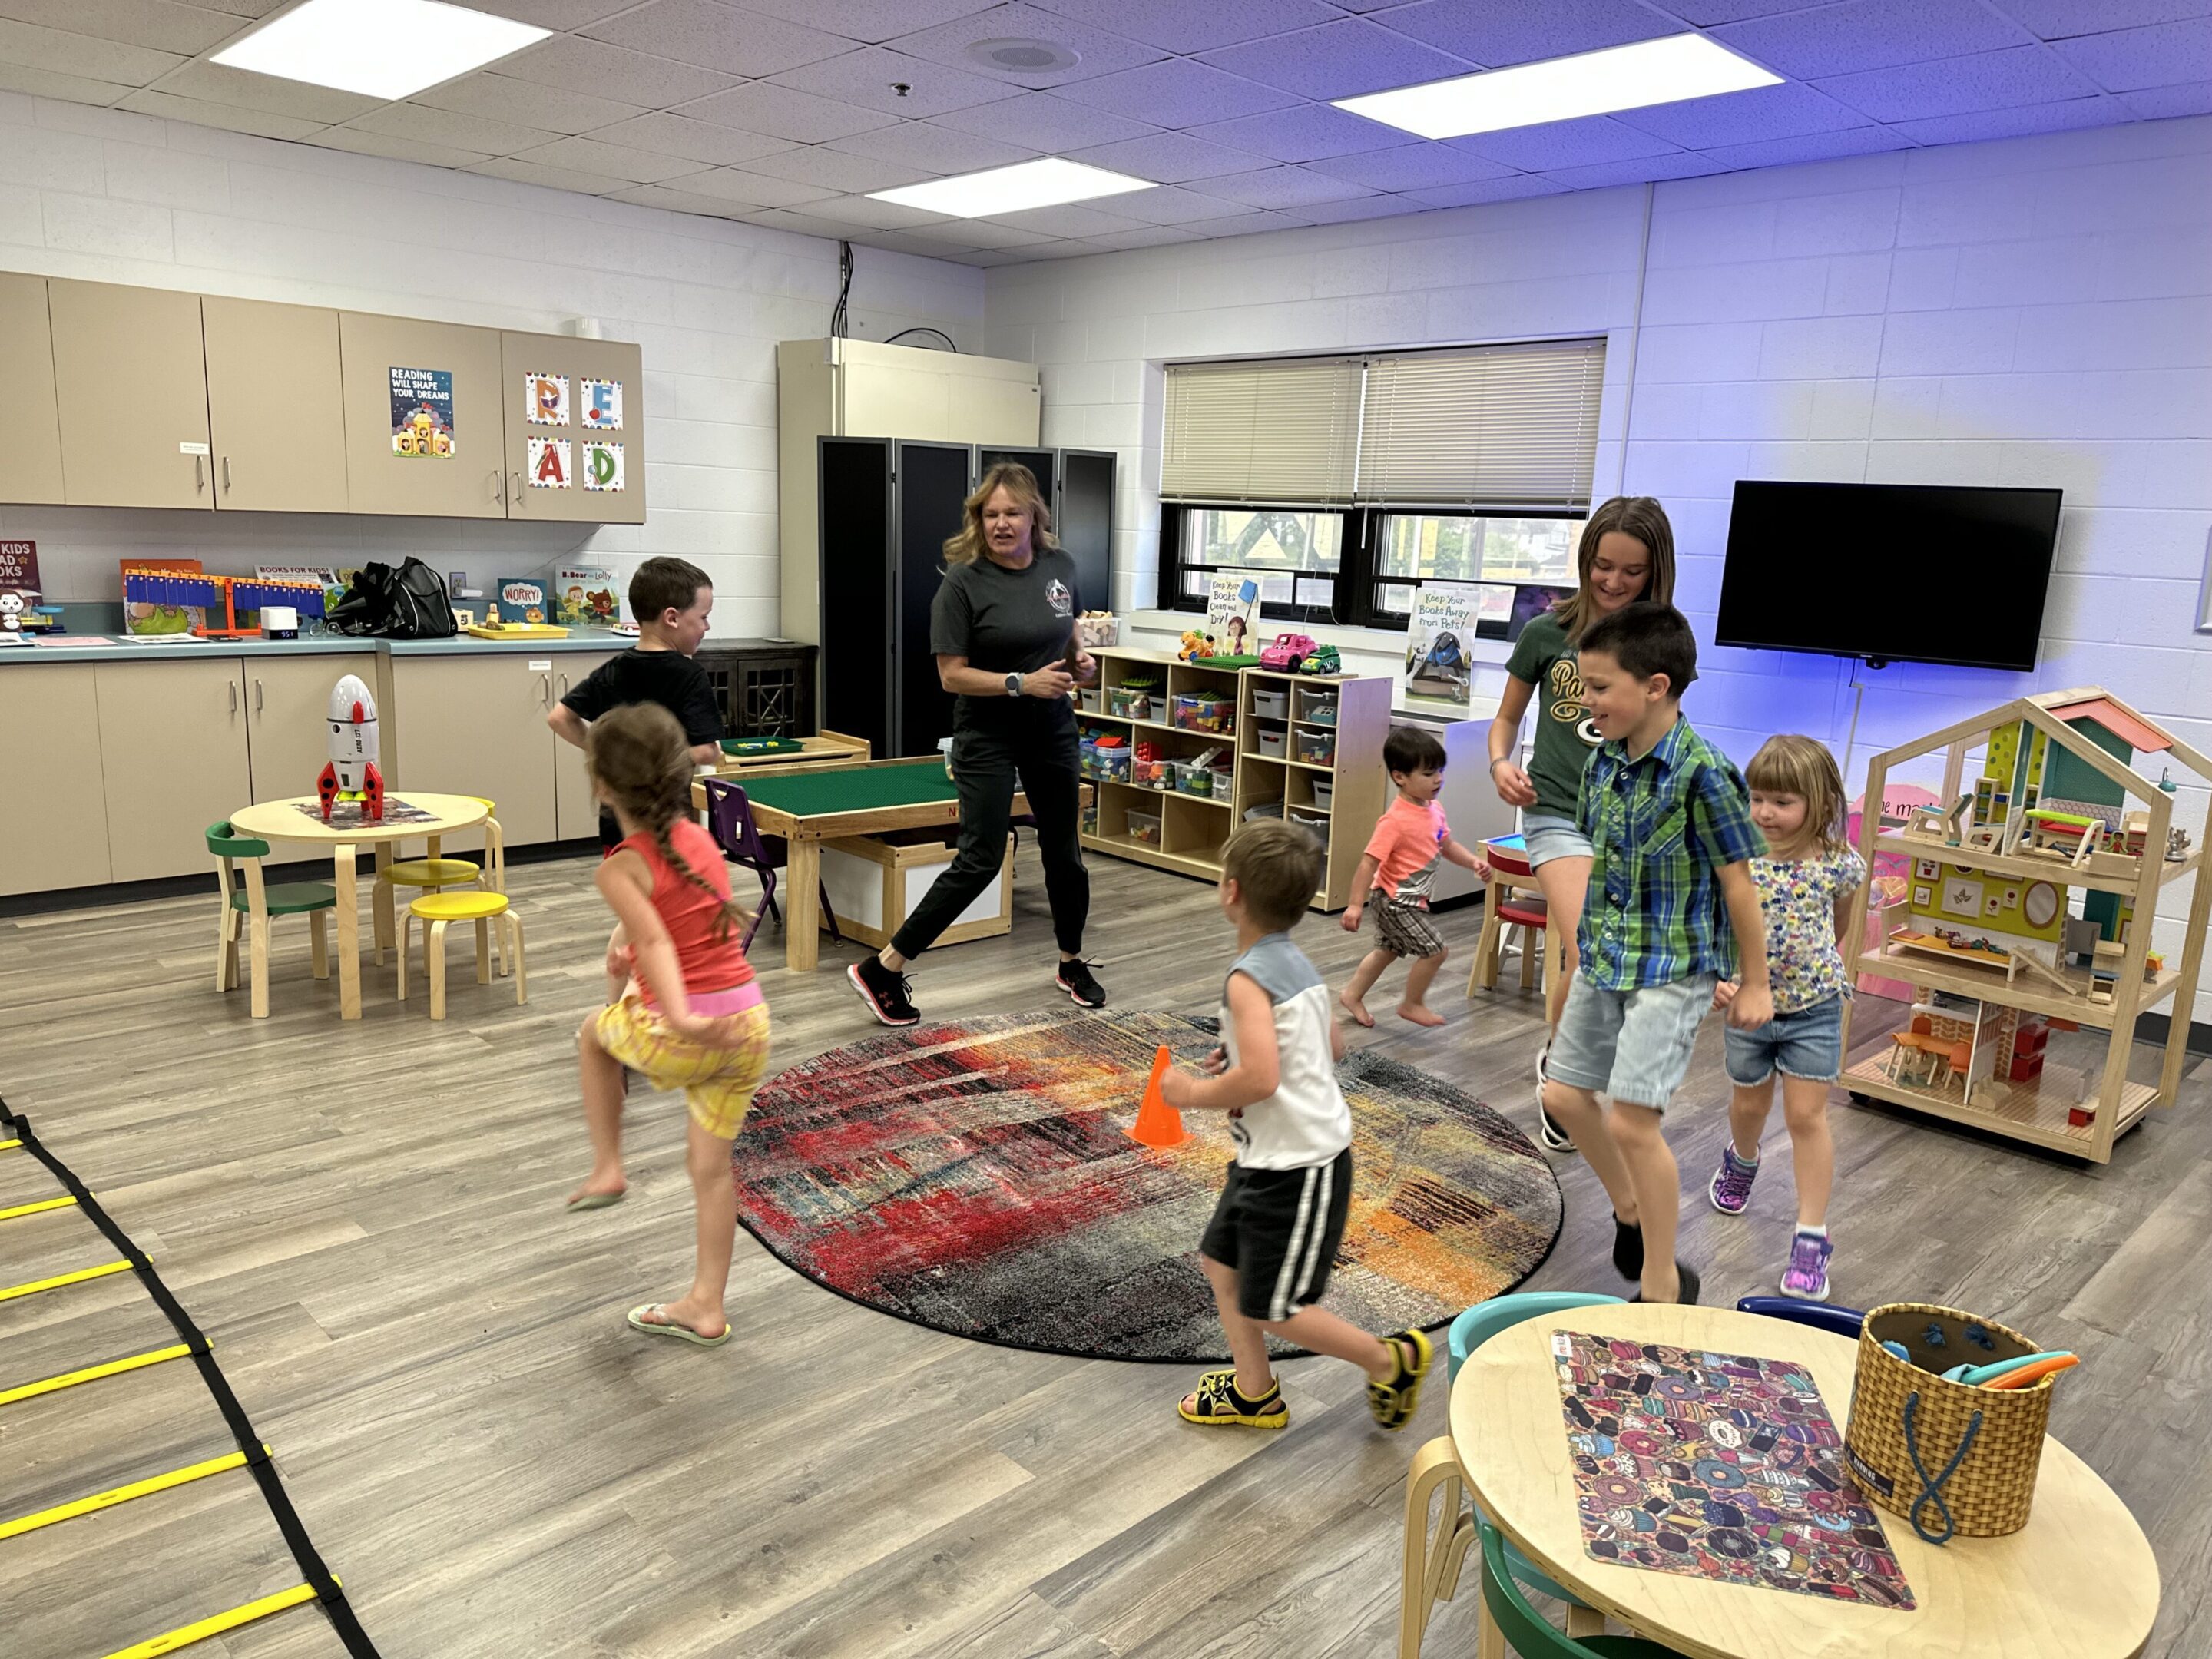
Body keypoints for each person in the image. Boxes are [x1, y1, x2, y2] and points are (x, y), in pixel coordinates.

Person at [1161, 820, 1434, 1432]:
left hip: (1299, 1167)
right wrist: (1246, 1052)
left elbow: (1260, 1081)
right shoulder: (1295, 964)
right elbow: (1331, 1044)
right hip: (1267, 1158)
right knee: (1220, 1264)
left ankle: (1388, 1359)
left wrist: (1190, 1092)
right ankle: (1254, 1391)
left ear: (1231, 893)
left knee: (1275, 1307)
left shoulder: (1246, 978)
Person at [1538, 604, 1770, 1306]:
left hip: (1674, 969)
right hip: (1607, 957)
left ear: (1656, 686)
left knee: (1632, 1120)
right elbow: (1602, 862)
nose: (1586, 702)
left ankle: (1663, 1283)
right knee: (1563, 1095)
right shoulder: (1604, 762)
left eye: (1601, 688)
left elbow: (1741, 883)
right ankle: (1630, 1210)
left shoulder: (1705, 774)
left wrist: (1754, 981)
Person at [847, 462, 1102, 1025]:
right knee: (982, 858)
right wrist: (1020, 684)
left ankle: (1071, 960)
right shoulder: (962, 583)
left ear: (1035, 516)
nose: (1002, 524)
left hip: (1052, 727)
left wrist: (1077, 658)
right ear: (978, 520)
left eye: (1013, 513)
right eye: (991, 514)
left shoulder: (1060, 566)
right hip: (987, 733)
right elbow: (951, 676)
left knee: (1066, 854)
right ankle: (884, 967)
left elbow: (1067, 626)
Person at [564, 704, 771, 1349]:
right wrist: (623, 964)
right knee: (711, 1171)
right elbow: (670, 934)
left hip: (687, 1030)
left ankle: (608, 1168)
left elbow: (652, 939)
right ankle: (706, 1306)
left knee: (593, 1035)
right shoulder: (699, 839)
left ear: (602, 786)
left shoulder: (619, 867)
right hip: (748, 1024)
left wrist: (673, 1012)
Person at [1488, 497, 1677, 1154]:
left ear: (1655, 573)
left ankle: (1561, 1064)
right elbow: (1506, 719)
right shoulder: (1547, 634)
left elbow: (1668, 735)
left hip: (1628, 823)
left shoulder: (1661, 643)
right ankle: (1566, 1080)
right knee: (1586, 943)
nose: (1615, 582)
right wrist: (1499, 761)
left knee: (1609, 962)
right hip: (1556, 813)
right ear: (1585, 560)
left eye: (1633, 572)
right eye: (1603, 566)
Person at [1707, 736, 1865, 1303]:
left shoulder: (1839, 864)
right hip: (1749, 1008)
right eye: (1758, 798)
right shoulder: (1735, 856)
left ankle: (1810, 1238)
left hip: (1815, 1009)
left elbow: (1838, 924)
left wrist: (1810, 972)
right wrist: (1720, 975)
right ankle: (1742, 1159)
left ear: (1819, 804)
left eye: (1783, 801)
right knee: (1748, 1103)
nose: (1765, 813)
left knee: (1807, 1118)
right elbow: (1715, 924)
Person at [549, 556, 723, 855]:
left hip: (617, 823)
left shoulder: (615, 668)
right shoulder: (690, 675)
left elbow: (559, 718)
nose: (706, 626)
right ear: (672, 618)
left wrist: (611, 757)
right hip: (668, 822)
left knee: (627, 888)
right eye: (703, 616)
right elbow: (708, 751)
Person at [1338, 726, 1490, 1029]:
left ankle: (1351, 995)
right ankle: (1412, 1003)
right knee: (1436, 950)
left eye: (1441, 772)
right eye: (1428, 773)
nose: (1438, 779)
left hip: (1407, 900)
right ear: (1400, 777)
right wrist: (1355, 905)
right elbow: (1368, 863)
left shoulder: (1434, 809)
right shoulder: (1394, 821)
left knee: (1388, 950)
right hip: (1393, 902)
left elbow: (1445, 845)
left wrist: (1473, 861)